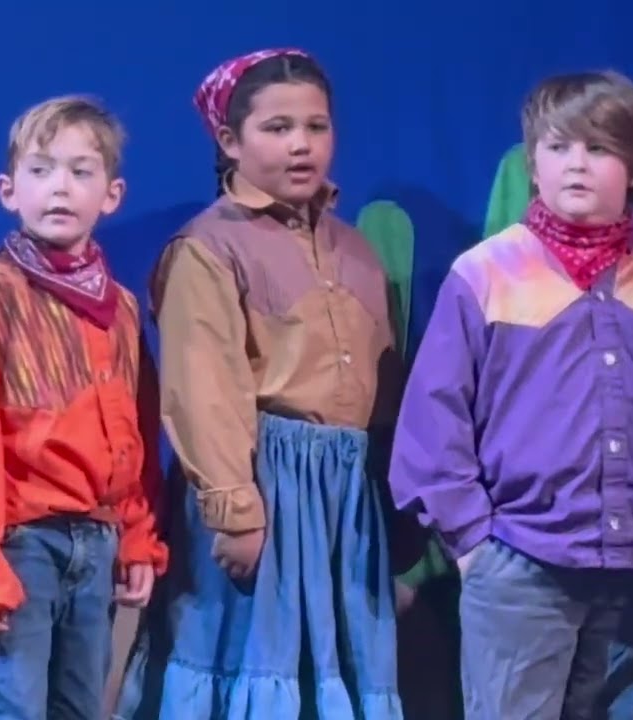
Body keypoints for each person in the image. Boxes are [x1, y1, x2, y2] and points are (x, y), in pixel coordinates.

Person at [115, 49, 423, 719]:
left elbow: (387, 391)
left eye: (316, 127)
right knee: (256, 666)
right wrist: (236, 512)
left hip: (346, 499)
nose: (301, 145)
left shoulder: (358, 252)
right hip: (268, 483)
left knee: (335, 670)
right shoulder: (209, 247)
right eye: (277, 128)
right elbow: (204, 390)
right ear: (230, 140)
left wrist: (394, 517)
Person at [390, 70, 633, 720]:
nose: (577, 165)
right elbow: (433, 423)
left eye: (600, 148)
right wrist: (475, 543)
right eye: (559, 147)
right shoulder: (489, 273)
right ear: (533, 163)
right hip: (523, 563)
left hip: (623, 568)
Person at [0, 95, 168, 720]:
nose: (61, 188)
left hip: (98, 540)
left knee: (83, 708)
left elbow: (133, 433)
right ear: (9, 190)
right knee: (14, 705)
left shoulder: (121, 307)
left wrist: (135, 534)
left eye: (81, 172)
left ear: (111, 194)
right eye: (42, 169)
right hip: (23, 544)